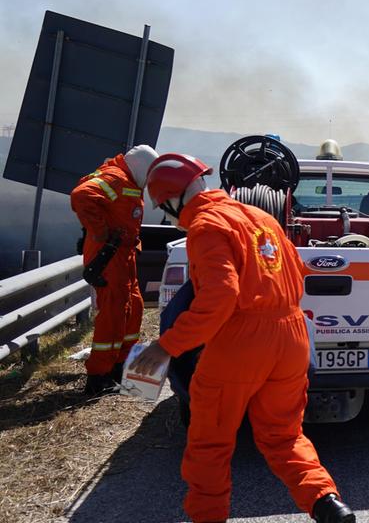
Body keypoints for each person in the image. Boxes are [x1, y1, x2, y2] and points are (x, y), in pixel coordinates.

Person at [129, 153, 354, 523]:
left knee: (210, 443)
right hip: (292, 336)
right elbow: (297, 271)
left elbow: (220, 296)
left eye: (165, 209)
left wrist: (166, 345)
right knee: (283, 436)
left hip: (242, 341)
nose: (169, 218)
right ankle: (326, 502)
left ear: (172, 199)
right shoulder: (261, 217)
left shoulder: (206, 226)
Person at [70, 145, 156, 396]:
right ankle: (98, 375)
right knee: (113, 314)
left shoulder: (128, 180)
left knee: (134, 308)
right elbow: (81, 195)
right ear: (141, 167)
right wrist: (100, 232)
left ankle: (121, 366)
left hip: (124, 254)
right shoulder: (115, 178)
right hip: (109, 255)